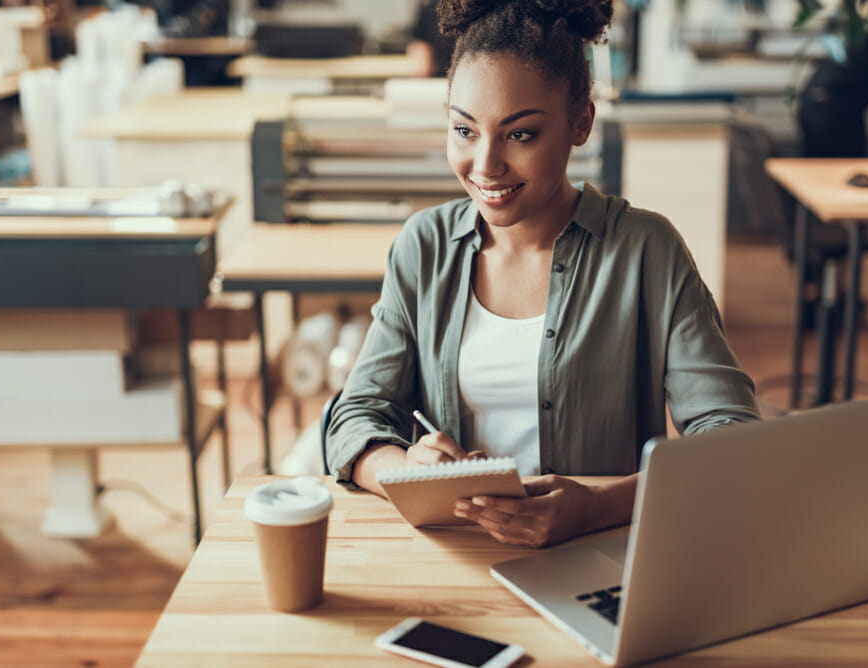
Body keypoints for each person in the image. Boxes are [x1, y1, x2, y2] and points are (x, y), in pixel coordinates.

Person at [325, 0, 760, 548]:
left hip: (601, 554)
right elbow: (354, 420)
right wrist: (408, 469)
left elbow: (734, 439)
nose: (485, 165)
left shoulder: (646, 250)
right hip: (458, 560)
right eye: (464, 130)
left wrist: (598, 507)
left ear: (581, 123)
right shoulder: (423, 246)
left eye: (520, 134)